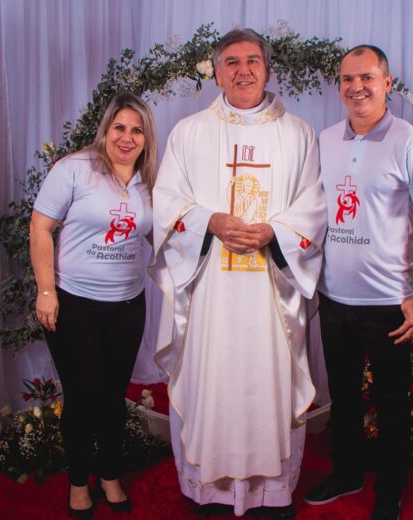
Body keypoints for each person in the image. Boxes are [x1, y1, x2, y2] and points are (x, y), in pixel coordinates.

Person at [150, 28, 327, 519]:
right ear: (217, 72)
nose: (243, 70)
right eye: (231, 61)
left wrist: (275, 231)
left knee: (269, 384)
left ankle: (272, 492)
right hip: (210, 287)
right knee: (212, 379)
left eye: (253, 60)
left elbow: (314, 206)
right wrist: (211, 221)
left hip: (272, 290)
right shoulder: (190, 132)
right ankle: (209, 491)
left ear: (267, 70)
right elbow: (166, 202)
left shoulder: (299, 133)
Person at [304, 45, 413, 520]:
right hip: (334, 298)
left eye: (367, 77)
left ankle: (390, 490)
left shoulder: (410, 141)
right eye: (348, 79)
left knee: (390, 404)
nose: (357, 87)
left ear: (387, 83)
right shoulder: (326, 140)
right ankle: (347, 474)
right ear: (339, 87)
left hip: (389, 303)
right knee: (343, 398)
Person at [29, 92, 157, 518]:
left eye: (136, 130)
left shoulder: (149, 183)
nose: (127, 137)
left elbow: (158, 236)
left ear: (146, 138)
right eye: (119, 127)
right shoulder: (75, 168)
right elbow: (40, 228)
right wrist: (46, 291)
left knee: (113, 397)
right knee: (83, 396)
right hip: (75, 305)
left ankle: (110, 474)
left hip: (127, 305)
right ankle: (79, 481)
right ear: (105, 130)